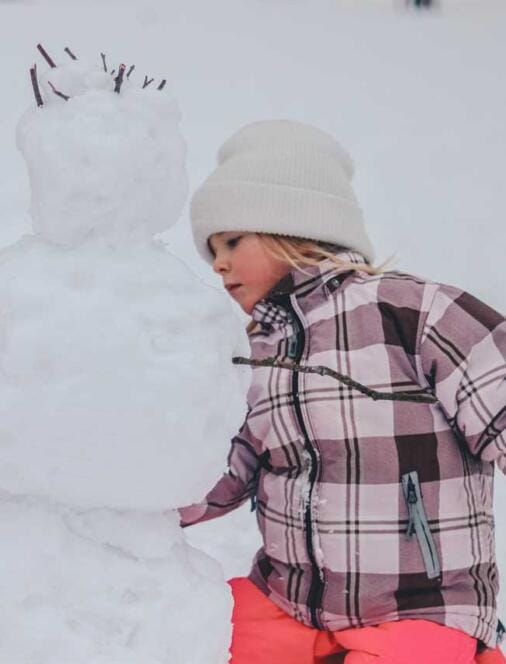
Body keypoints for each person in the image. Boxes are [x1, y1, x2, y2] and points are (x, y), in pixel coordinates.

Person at [181, 120, 506, 663]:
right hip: (288, 601)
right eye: (212, 250)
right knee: (193, 632)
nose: (217, 264)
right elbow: (220, 471)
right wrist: (130, 491)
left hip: (420, 604)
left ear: (291, 225)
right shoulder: (250, 354)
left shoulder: (413, 313)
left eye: (231, 241)